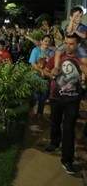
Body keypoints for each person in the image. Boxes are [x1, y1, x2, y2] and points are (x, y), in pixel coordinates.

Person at [44, 33, 87, 175]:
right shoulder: (58, 56)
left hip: (73, 100)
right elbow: (45, 70)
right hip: (56, 97)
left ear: (78, 45)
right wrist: (52, 73)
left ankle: (67, 160)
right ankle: (54, 142)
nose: (68, 46)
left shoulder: (81, 59)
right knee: (55, 122)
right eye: (66, 43)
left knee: (69, 129)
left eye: (72, 44)